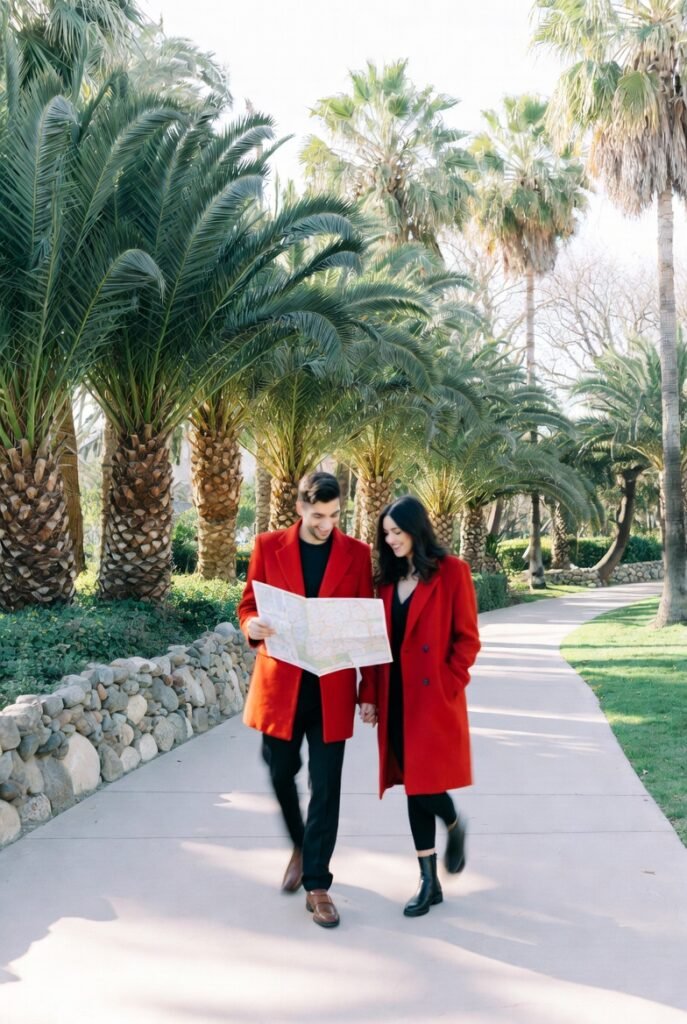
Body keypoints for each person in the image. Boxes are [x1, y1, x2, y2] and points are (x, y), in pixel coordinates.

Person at [238, 471, 374, 929]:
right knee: (279, 772)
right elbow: (247, 605)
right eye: (319, 515)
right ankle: (301, 842)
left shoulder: (357, 555)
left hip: (332, 689)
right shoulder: (266, 545)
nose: (327, 524)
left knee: (326, 786)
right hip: (282, 686)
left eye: (335, 515)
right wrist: (251, 626)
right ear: (300, 508)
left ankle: (318, 883)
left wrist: (369, 691)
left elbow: (366, 626)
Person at [359, 494, 480, 917]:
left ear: (417, 529)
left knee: (422, 782)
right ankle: (430, 875)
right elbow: (374, 648)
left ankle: (450, 831)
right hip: (395, 695)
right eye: (386, 534)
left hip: (432, 698)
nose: (391, 540)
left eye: (397, 532)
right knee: (412, 783)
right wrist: (369, 695)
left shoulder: (452, 572)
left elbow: (467, 639)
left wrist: (449, 683)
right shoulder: (385, 584)